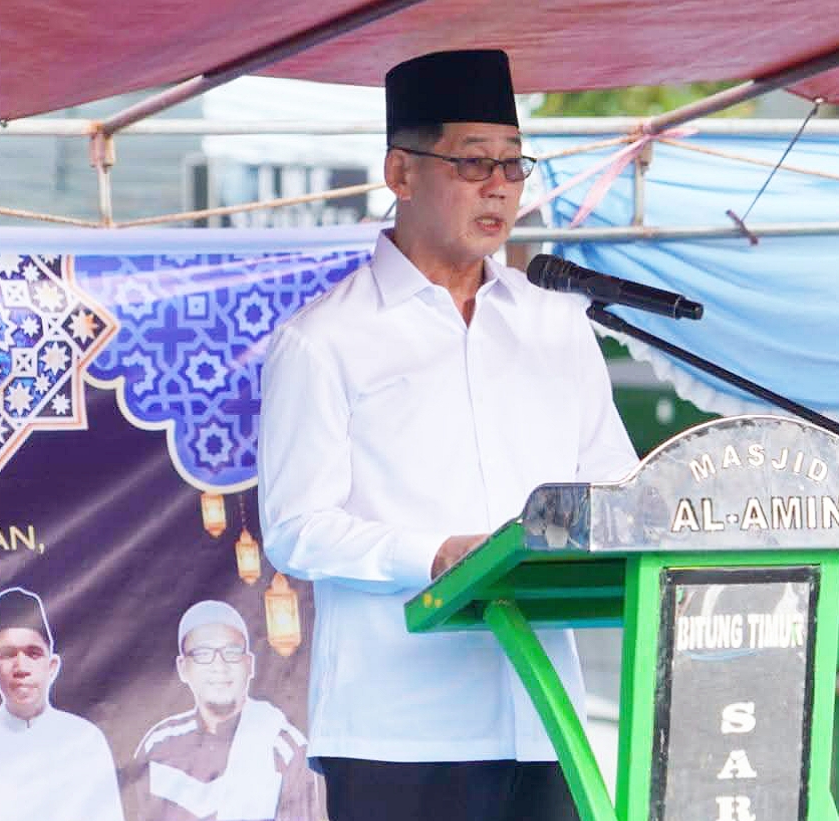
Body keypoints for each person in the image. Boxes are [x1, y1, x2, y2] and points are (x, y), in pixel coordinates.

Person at [256, 48, 638, 821]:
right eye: (473, 163)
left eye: (513, 164)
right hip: (398, 727)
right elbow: (297, 529)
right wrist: (433, 555)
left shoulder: (556, 324)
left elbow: (616, 489)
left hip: (546, 721)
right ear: (401, 173)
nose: (499, 185)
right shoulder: (325, 340)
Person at [131, 600, 318, 821]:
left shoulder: (284, 749)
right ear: (183, 668)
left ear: (249, 664)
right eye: (202, 653)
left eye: (231, 652)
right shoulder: (159, 744)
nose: (218, 666)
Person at [0, 587, 124, 821]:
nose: (21, 668)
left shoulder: (85, 739)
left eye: (33, 653)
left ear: (52, 666)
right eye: (7, 654)